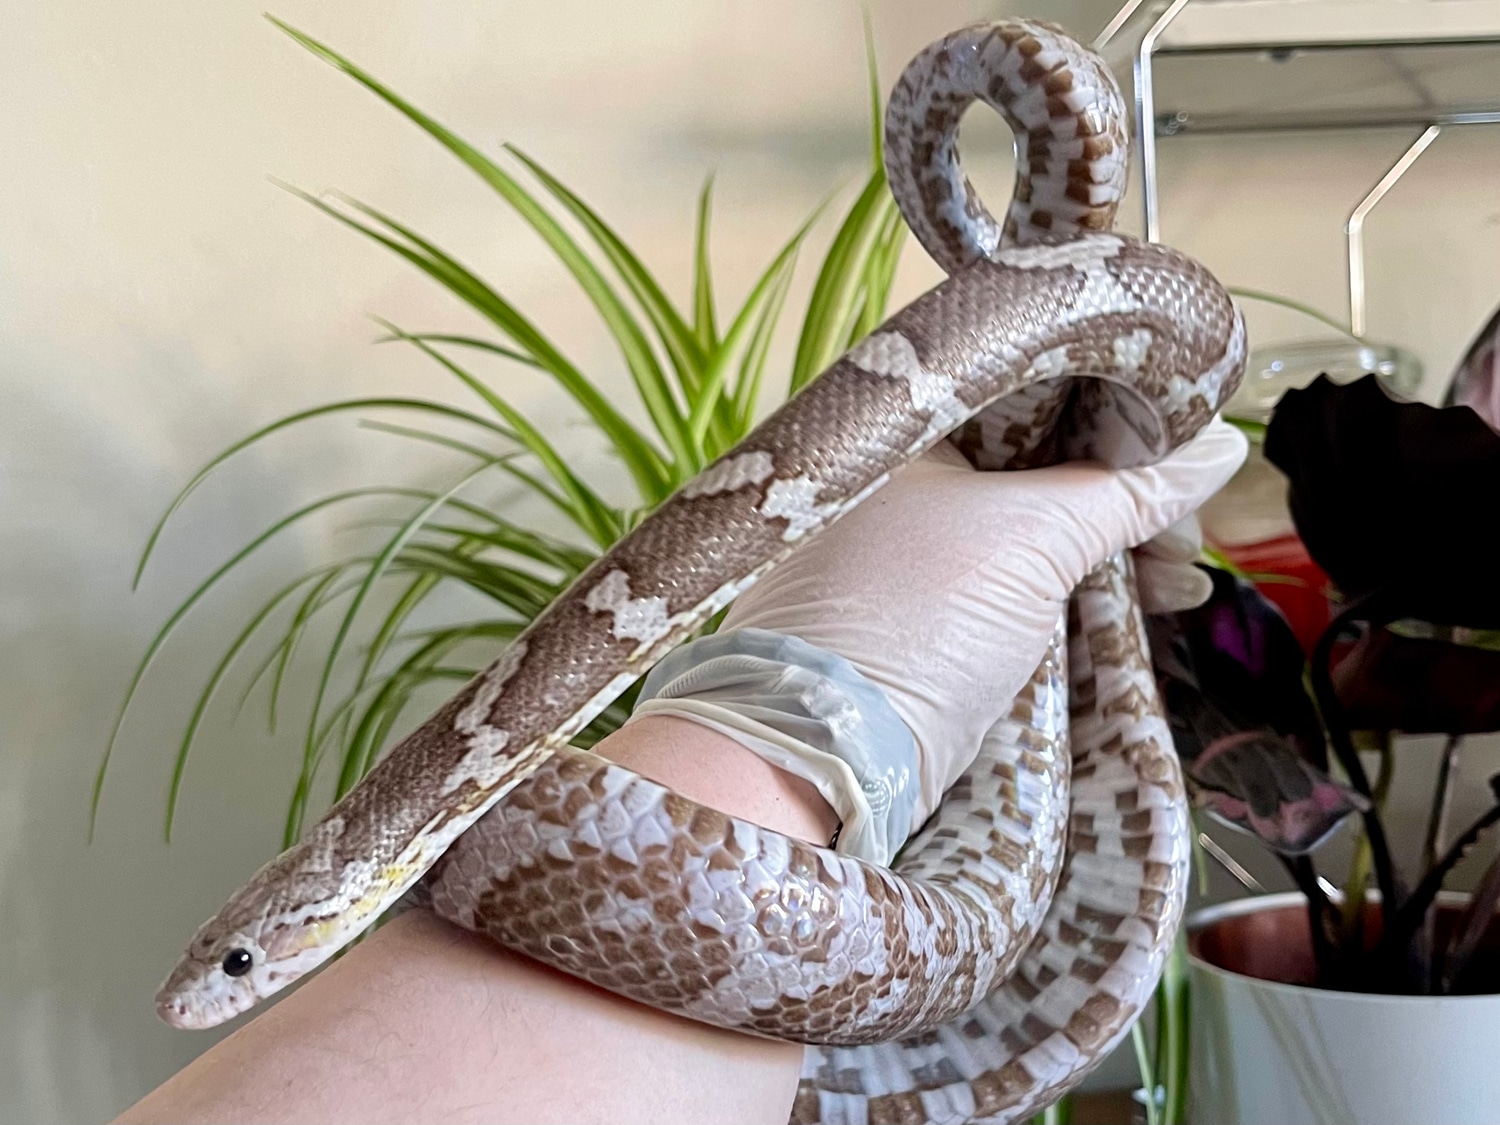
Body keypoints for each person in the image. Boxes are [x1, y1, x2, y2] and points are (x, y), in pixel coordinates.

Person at [115, 419, 1247, 1125]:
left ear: (306, 903)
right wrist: (828, 706)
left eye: (245, 959)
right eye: (236, 963)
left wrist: (810, 703)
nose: (214, 994)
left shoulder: (437, 817)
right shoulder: (428, 817)